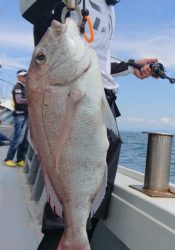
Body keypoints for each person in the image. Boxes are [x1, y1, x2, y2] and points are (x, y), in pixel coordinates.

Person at [20, 0, 158, 248]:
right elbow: (33, 13)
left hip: (100, 103)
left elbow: (95, 61)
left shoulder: (110, 9)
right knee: (63, 222)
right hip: (74, 103)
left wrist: (129, 67)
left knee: (90, 212)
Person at [4, 69, 29, 167]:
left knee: (24, 139)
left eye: (26, 76)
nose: (26, 78)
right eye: (24, 76)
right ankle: (8, 159)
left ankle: (20, 159)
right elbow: (19, 100)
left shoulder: (25, 88)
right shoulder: (17, 87)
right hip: (19, 116)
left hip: (26, 115)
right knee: (18, 138)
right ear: (19, 77)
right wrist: (31, 99)